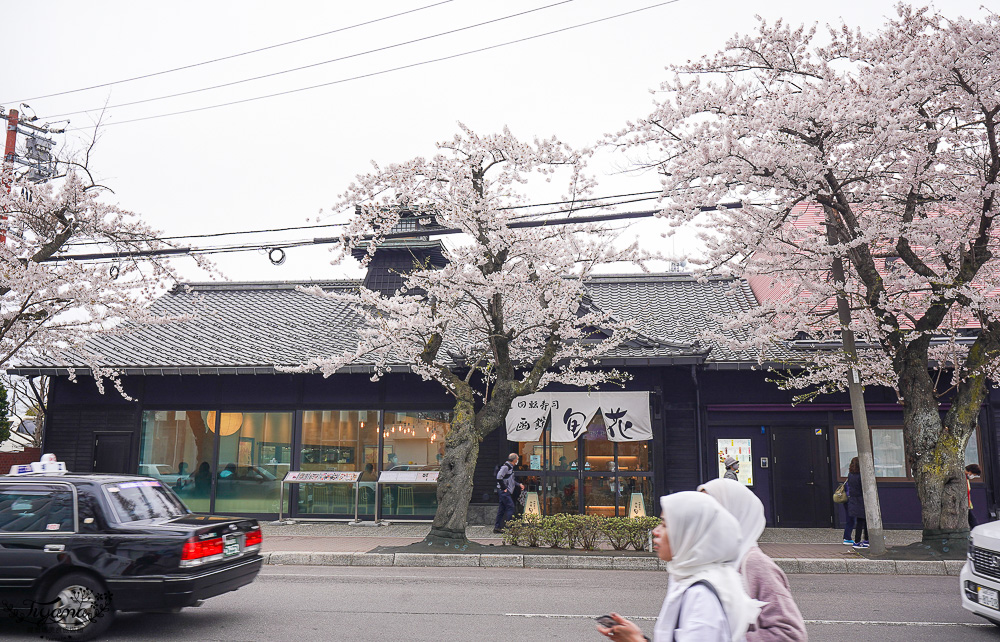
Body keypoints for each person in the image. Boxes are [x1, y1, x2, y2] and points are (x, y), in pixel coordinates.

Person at [597, 491, 761, 642]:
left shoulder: (702, 596)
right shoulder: (688, 577)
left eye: (665, 525)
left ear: (689, 534)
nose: (656, 531)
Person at [699, 478, 808, 642]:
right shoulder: (710, 560)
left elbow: (790, 634)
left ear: (732, 513)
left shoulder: (755, 564)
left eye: (710, 510)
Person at [494, 453, 523, 534]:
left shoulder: (510, 467)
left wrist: (518, 484)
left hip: (504, 491)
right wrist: (504, 488)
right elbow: (499, 477)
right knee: (511, 507)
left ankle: (497, 527)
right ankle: (509, 527)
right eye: (517, 459)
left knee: (502, 509)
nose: (518, 461)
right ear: (514, 460)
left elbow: (511, 480)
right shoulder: (506, 467)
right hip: (504, 492)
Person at [847, 457, 868, 548]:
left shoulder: (850, 475)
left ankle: (857, 540)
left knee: (859, 521)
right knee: (866, 520)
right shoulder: (861, 476)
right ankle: (866, 539)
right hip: (861, 499)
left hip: (854, 499)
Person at [967, 463, 982, 528]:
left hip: (968, 505)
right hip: (966, 505)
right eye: (973, 474)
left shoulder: (967, 479)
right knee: (974, 522)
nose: (972, 476)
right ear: (970, 472)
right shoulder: (963, 478)